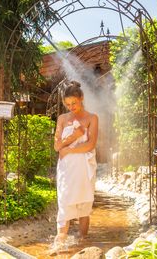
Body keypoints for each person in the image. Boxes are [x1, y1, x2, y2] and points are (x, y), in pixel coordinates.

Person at [51, 80, 98, 252]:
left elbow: (90, 145)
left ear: (82, 98)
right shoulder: (62, 119)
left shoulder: (92, 118)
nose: (71, 107)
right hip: (66, 169)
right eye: (68, 104)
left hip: (84, 168)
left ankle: (83, 243)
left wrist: (69, 150)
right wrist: (73, 137)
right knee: (64, 202)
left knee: (84, 205)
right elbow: (57, 146)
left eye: (74, 103)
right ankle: (59, 246)